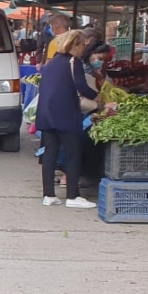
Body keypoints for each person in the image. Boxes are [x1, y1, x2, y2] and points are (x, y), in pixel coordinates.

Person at [35, 31, 99, 208]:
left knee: (50, 154)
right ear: (74, 45)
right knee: (74, 152)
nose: (83, 49)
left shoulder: (52, 62)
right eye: (82, 45)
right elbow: (81, 86)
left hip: (46, 113)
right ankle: (72, 196)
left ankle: (49, 195)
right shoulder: (74, 62)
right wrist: (97, 97)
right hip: (64, 113)